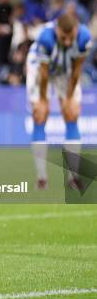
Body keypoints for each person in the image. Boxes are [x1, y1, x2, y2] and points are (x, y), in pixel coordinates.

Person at [27, 13, 91, 190]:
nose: (68, 42)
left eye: (71, 38)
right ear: (57, 31)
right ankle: (41, 178)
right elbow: (45, 74)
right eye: (64, 38)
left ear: (76, 30)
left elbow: (77, 70)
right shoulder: (45, 38)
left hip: (66, 69)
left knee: (72, 113)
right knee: (40, 114)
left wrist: (69, 98)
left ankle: (73, 177)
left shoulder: (84, 37)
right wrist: (43, 100)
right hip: (40, 68)